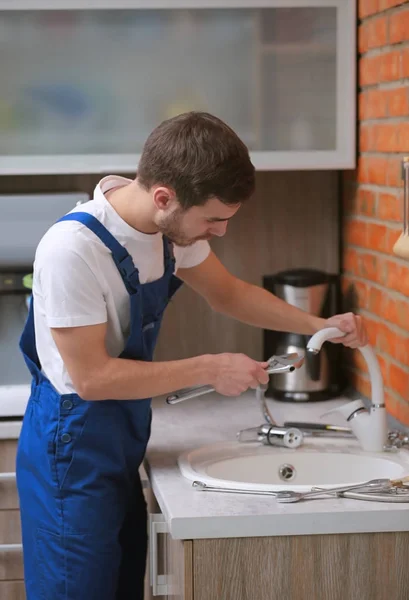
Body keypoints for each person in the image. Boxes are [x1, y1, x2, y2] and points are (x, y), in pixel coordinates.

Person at [16, 111, 367, 600]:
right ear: (165, 197)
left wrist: (320, 326)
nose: (219, 232)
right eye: (214, 219)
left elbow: (230, 294)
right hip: (69, 447)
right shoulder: (71, 250)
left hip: (121, 438)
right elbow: (92, 377)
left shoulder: (166, 232)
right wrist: (209, 368)